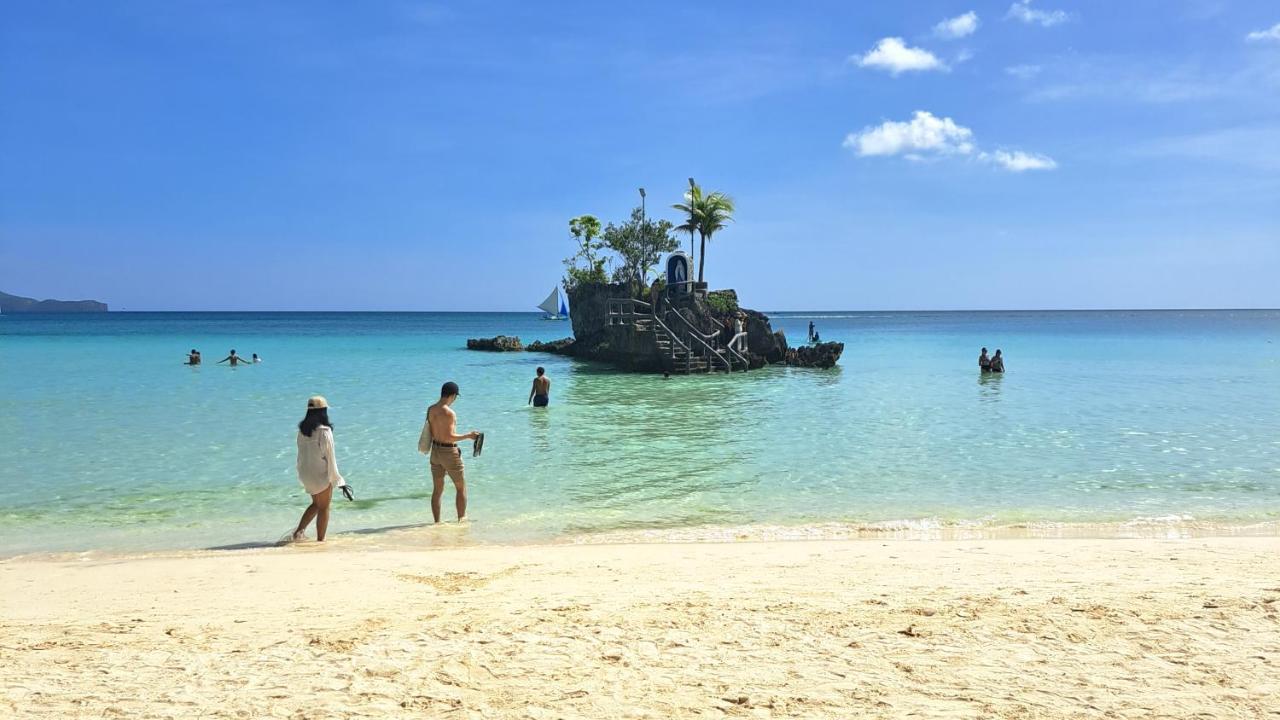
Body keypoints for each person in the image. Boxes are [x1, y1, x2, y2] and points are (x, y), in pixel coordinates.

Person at [418, 381, 480, 523]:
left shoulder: (430, 409)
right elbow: (449, 436)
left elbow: (433, 432)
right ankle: (461, 520)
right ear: (452, 395)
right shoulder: (449, 413)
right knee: (461, 487)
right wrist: (469, 436)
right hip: (448, 453)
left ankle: (437, 522)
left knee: (437, 490)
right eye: (455, 397)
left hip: (435, 452)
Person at [293, 395, 350, 542]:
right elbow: (330, 457)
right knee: (324, 507)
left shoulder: (302, 431)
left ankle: (298, 533)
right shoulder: (324, 431)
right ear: (323, 411)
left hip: (305, 473)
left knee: (316, 504)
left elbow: (301, 454)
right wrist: (338, 479)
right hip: (319, 473)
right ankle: (321, 540)